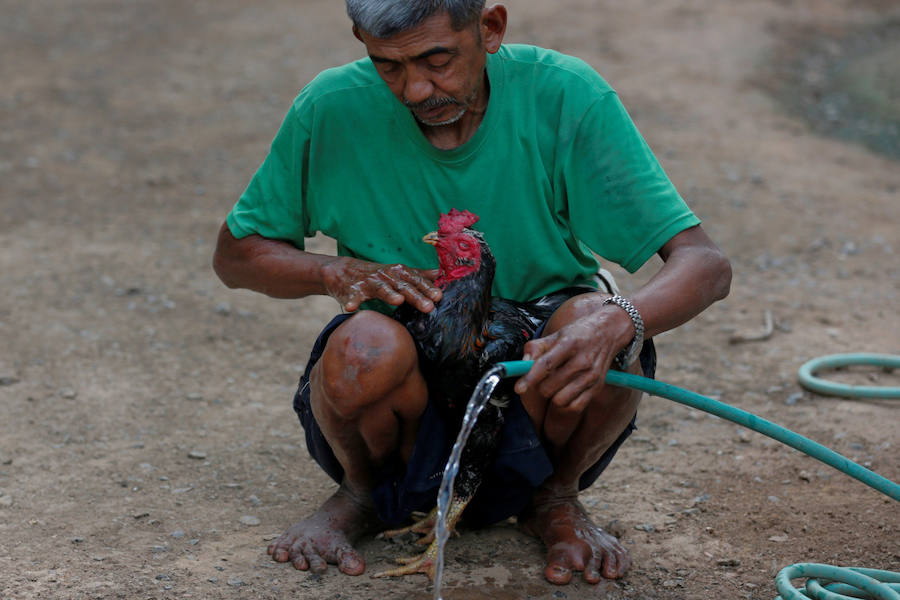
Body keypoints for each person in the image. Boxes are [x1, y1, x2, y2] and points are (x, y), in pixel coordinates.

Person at [213, 0, 731, 587]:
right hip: (407, 376)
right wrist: (331, 271)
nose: (414, 89)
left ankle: (555, 498)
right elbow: (236, 256)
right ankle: (360, 493)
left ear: (489, 28)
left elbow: (705, 264)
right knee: (363, 348)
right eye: (386, 65)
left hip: (533, 375)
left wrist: (619, 319)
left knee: (598, 320)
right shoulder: (331, 107)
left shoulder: (563, 95)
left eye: (437, 60)